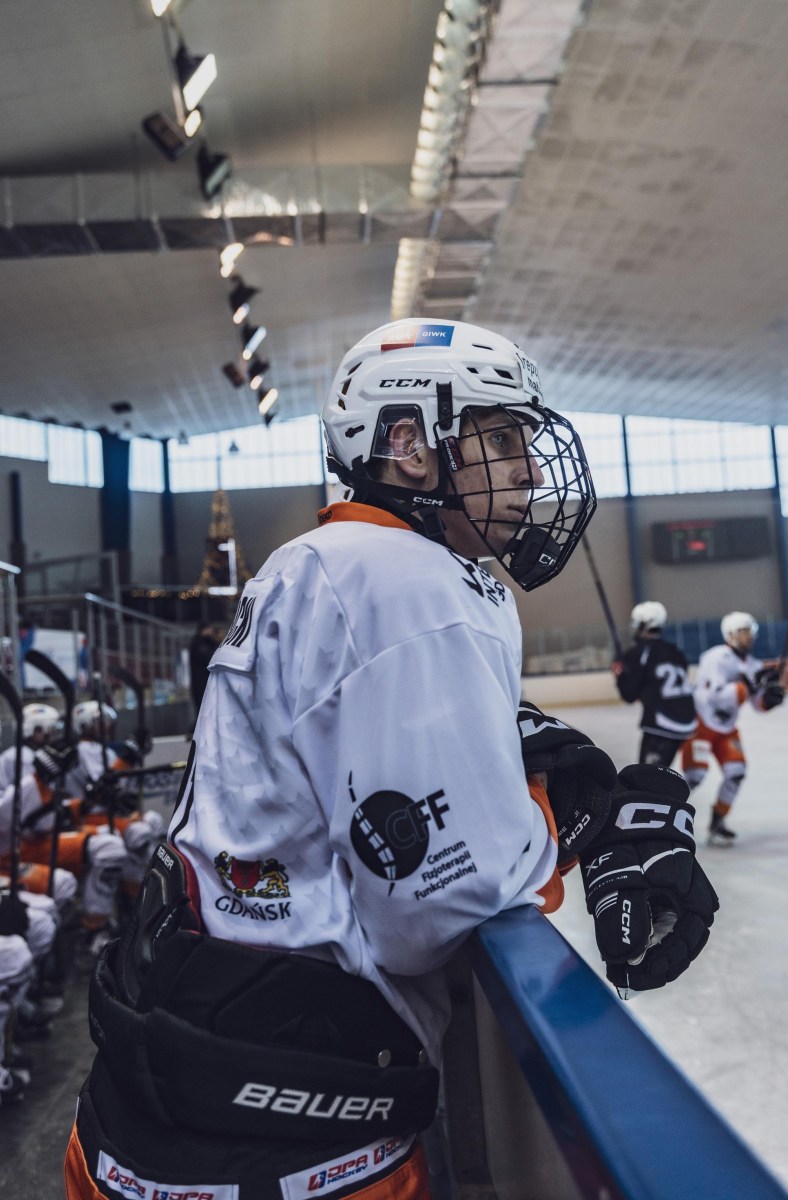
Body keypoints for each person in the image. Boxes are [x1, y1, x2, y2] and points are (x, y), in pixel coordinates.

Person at [66, 320, 718, 1200]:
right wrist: (581, 829)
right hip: (290, 1145)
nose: (529, 470)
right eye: (500, 438)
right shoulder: (406, 583)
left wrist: (539, 781)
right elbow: (434, 904)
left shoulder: (323, 562)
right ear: (408, 443)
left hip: (172, 1093)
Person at [681, 611, 784, 845]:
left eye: (749, 631)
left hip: (726, 730)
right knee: (695, 776)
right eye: (742, 631)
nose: (748, 636)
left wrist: (769, 699)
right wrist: (749, 685)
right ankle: (662, 813)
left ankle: (718, 821)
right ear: (729, 635)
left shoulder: (753, 664)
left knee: (736, 773)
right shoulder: (716, 658)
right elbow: (716, 696)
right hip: (700, 727)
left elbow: (757, 704)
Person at [613, 601, 697, 767]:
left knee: (647, 777)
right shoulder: (674, 650)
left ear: (644, 625)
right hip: (687, 719)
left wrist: (620, 674)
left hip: (663, 722)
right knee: (660, 772)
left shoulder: (639, 653)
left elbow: (629, 695)